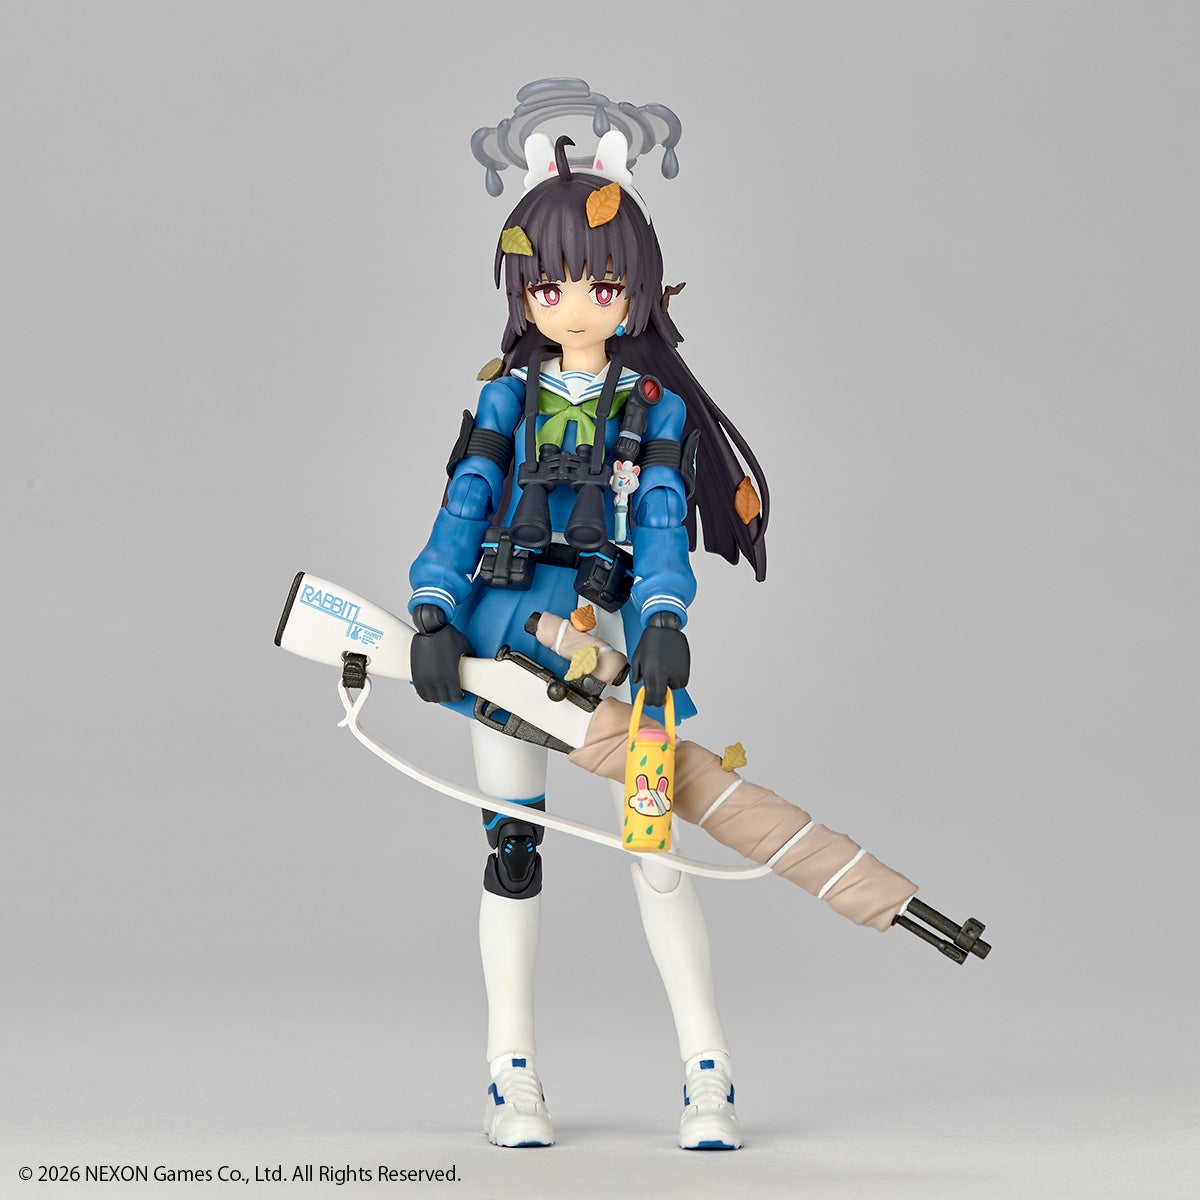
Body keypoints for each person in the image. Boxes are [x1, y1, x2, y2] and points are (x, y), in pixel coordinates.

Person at [406, 129, 769, 1149]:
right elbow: (465, 503)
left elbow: (660, 518)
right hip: (501, 636)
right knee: (513, 852)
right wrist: (432, 605)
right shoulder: (507, 397)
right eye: (550, 285)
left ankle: (708, 1071)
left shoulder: (653, 407)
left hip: (613, 648)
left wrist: (663, 619)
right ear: (525, 292)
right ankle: (510, 1073)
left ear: (634, 291)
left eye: (600, 285)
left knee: (655, 851)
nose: (572, 305)